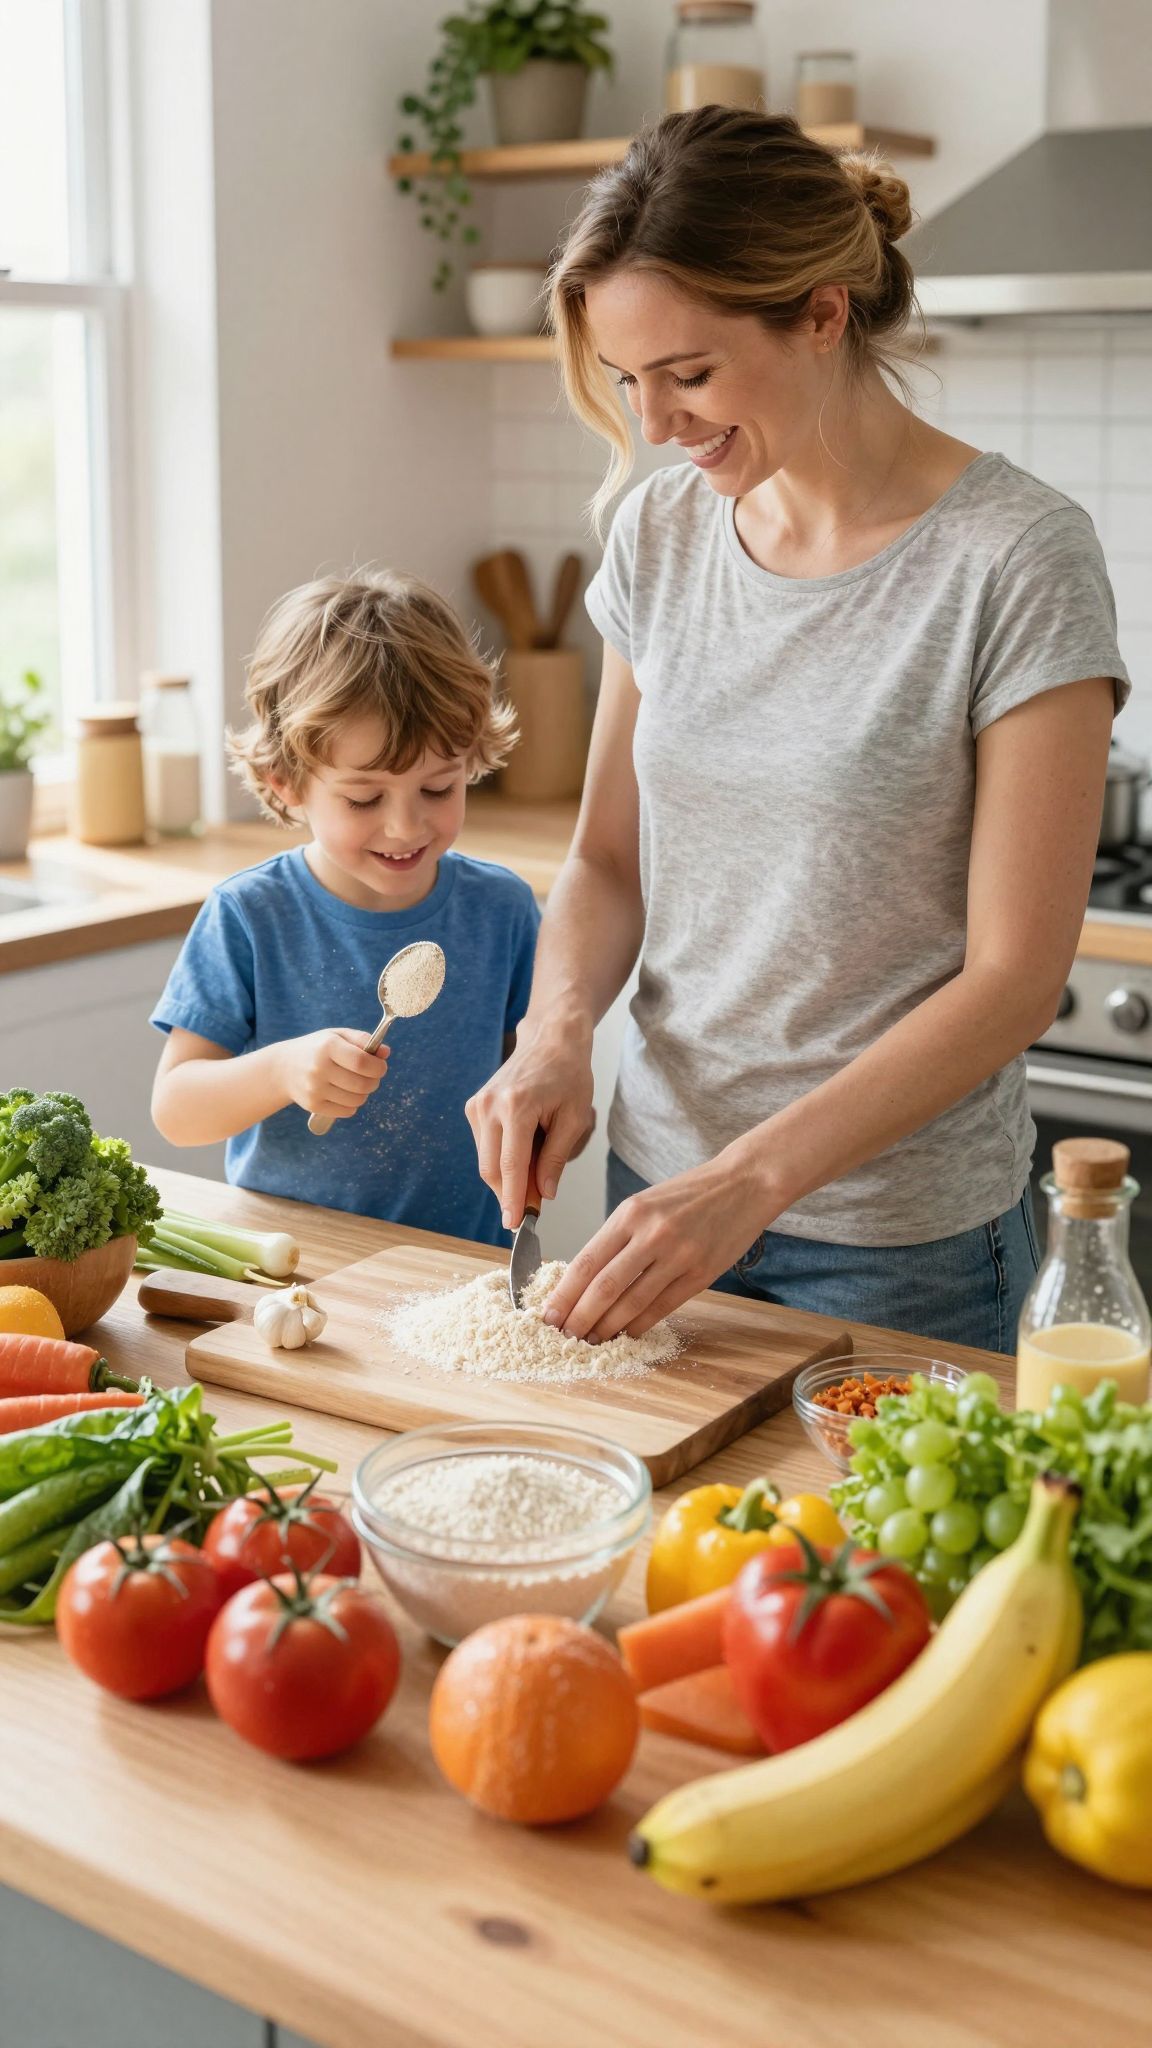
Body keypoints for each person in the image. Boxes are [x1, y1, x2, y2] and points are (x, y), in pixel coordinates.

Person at [466, 107, 1128, 1352]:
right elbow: (609, 860)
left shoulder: (1016, 558)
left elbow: (1013, 981)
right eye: (627, 381)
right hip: (658, 1207)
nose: (654, 424)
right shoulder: (663, 538)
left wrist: (751, 1181)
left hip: (901, 1250)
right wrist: (554, 1034)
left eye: (691, 373)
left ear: (822, 314)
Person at [151, 570, 539, 1246]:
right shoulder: (250, 916)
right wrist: (280, 1069)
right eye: (365, 799)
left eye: (439, 787)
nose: (406, 826)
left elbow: (532, 1066)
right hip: (296, 1272)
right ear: (287, 784)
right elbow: (176, 1109)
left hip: (456, 1269)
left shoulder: (499, 912)